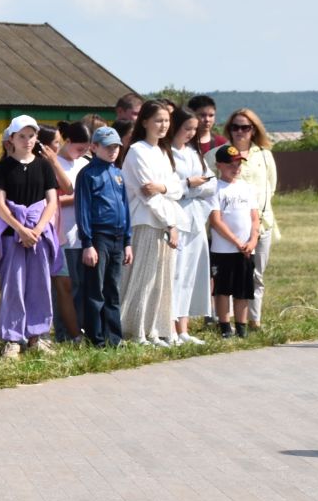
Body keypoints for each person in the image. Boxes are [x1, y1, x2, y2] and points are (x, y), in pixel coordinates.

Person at [0, 116, 61, 356]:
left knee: (40, 284)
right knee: (13, 285)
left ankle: (37, 335)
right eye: (22, 136)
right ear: (12, 139)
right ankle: (12, 338)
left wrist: (37, 229)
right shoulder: (4, 167)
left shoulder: (43, 165)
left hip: (38, 233)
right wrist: (20, 228)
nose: (27, 141)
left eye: (31, 136)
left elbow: (52, 201)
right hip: (13, 233)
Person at [121, 100, 183, 346]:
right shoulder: (137, 151)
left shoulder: (163, 151)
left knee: (160, 280)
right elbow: (148, 195)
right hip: (145, 222)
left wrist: (165, 187)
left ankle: (154, 329)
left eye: (167, 120)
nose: (163, 125)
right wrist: (171, 223)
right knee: (143, 278)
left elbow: (177, 189)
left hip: (164, 222)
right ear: (144, 122)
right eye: (158, 120)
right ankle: (136, 330)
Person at [73, 127, 131, 346]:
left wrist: (128, 241)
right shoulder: (88, 175)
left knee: (112, 289)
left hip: (118, 237)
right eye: (108, 147)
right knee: (95, 289)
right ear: (94, 147)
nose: (113, 151)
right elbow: (83, 209)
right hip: (98, 238)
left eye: (116, 147)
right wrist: (87, 243)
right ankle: (95, 337)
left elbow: (125, 208)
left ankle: (114, 337)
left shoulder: (118, 174)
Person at [223, 108, 278, 326]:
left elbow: (270, 187)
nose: (239, 131)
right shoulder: (220, 153)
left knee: (256, 275)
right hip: (230, 226)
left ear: (253, 130)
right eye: (235, 127)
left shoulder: (265, 155)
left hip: (261, 224)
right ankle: (225, 321)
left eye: (244, 127)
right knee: (228, 275)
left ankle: (254, 320)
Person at [167, 110, 214, 344]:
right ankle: (171, 328)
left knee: (190, 274)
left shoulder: (194, 153)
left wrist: (190, 188)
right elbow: (170, 188)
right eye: (187, 128)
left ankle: (184, 328)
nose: (191, 133)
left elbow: (210, 183)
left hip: (196, 219)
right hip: (177, 218)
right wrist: (188, 185)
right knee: (176, 273)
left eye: (194, 129)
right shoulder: (167, 153)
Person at [207, 146, 259, 338]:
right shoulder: (215, 188)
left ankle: (242, 327)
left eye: (238, 163)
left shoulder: (246, 188)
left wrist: (253, 240)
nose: (235, 167)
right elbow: (216, 220)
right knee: (223, 289)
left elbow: (254, 218)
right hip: (224, 249)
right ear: (219, 165)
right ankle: (225, 327)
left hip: (246, 248)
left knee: (243, 290)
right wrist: (237, 241)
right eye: (230, 164)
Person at [48, 123, 90, 342]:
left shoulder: (84, 164)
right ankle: (62, 331)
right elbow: (50, 199)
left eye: (86, 149)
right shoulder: (54, 163)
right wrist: (78, 198)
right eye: (79, 148)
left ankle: (79, 327)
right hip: (61, 233)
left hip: (81, 235)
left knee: (80, 287)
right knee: (64, 287)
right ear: (67, 141)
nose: (82, 153)